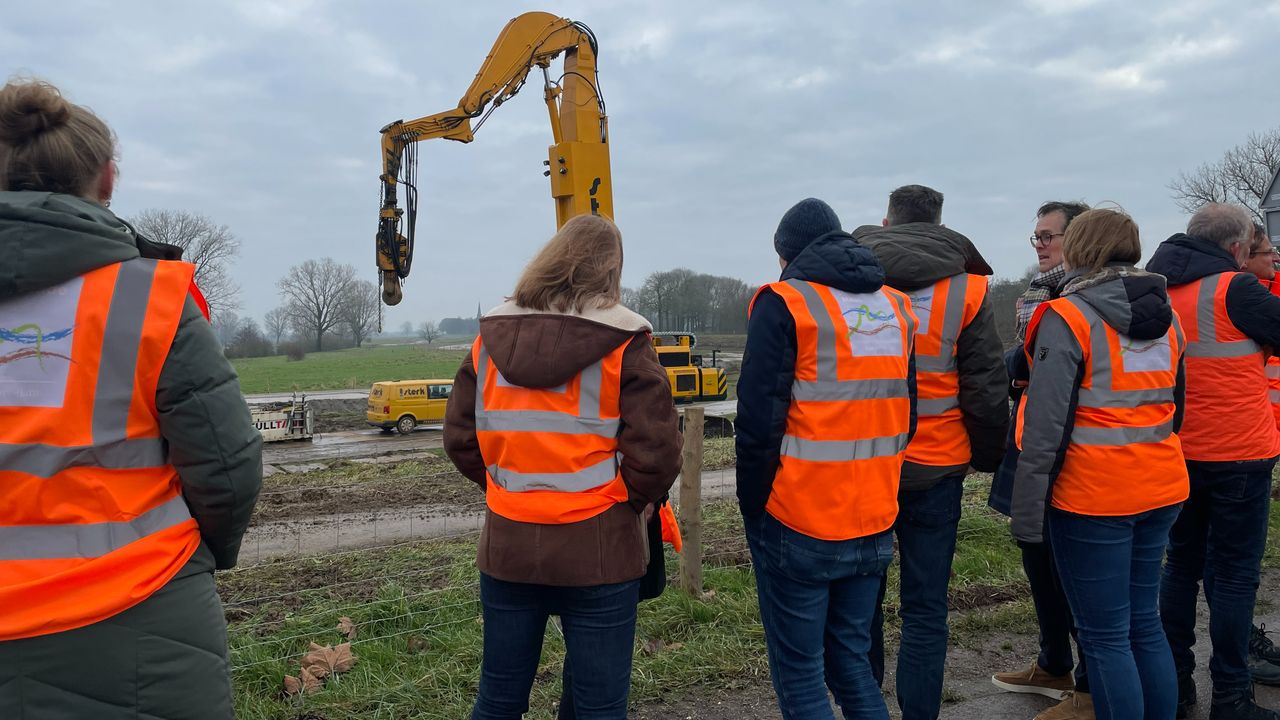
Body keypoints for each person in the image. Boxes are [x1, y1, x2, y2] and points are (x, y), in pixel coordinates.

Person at [0, 79, 262, 718]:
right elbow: (227, 471)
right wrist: (200, 559)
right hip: (142, 610)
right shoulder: (153, 300)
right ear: (108, 179)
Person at [443, 213, 682, 720]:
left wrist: (506, 489)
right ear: (611, 271)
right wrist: (624, 504)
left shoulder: (489, 339)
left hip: (507, 544)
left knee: (498, 699)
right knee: (599, 706)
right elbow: (657, 453)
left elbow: (461, 438)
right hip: (600, 550)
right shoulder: (626, 341)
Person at [737, 197, 917, 719]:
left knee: (800, 674)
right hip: (875, 517)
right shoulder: (896, 307)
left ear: (786, 255)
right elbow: (909, 414)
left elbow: (757, 425)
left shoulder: (785, 302)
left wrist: (756, 508)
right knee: (852, 667)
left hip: (801, 517)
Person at [1011, 207, 1189, 720]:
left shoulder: (1067, 317)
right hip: (1160, 486)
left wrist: (1027, 515)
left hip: (1092, 498)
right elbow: (1176, 406)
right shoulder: (1169, 317)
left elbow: (1043, 429)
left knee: (1106, 638)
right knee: (1144, 626)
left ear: (1082, 249)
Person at [853, 184, 1008, 720]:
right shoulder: (967, 290)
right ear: (941, 224)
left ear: (887, 222)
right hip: (938, 465)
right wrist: (988, 455)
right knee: (925, 609)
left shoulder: (850, 279)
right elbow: (986, 384)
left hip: (864, 461)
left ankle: (864, 708)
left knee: (860, 607)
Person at [1147, 203, 1280, 720]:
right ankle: (1230, 695)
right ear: (1235, 248)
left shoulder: (1156, 287)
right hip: (1239, 453)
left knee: (1179, 567)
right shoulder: (1236, 288)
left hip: (1176, 450)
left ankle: (1177, 688)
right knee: (1232, 575)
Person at [988, 200, 1096, 719]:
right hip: (1030, 439)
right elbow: (1023, 361)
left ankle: (1092, 687)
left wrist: (1022, 367)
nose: (1040, 245)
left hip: (1073, 451)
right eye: (1036, 237)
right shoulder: (1036, 297)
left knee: (1076, 568)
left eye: (1049, 236)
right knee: (1037, 559)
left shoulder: (1093, 296)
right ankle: (1054, 662)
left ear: (1080, 239)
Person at [1230, 222, 1280, 689]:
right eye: (1268, 253)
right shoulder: (1241, 296)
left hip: (1258, 441)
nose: (1275, 259)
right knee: (1234, 564)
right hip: (1246, 446)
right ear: (1242, 254)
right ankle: (1241, 654)